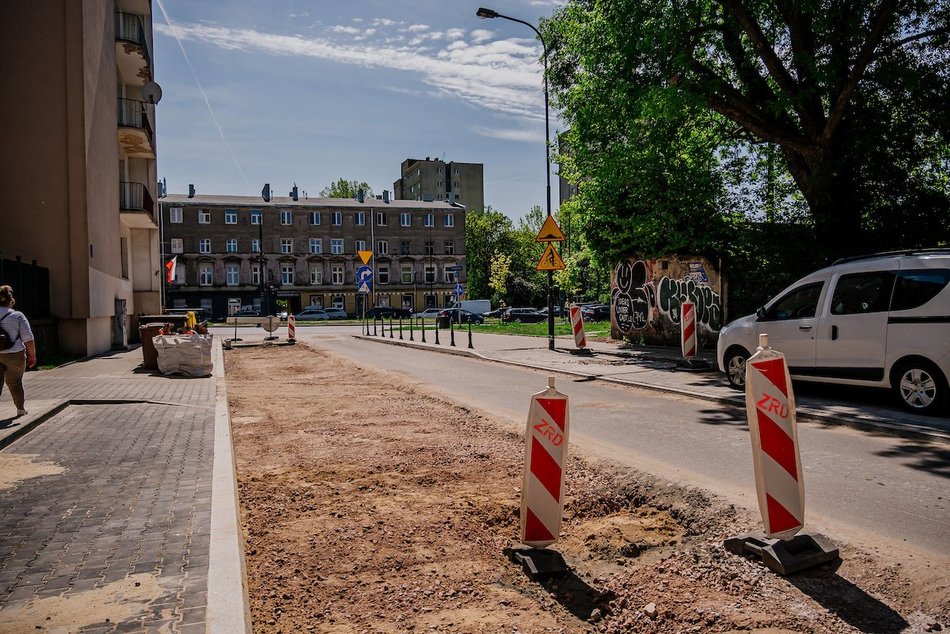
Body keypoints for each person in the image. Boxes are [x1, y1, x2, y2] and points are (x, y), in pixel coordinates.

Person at [0, 285, 36, 417]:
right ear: (10, 300)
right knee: (14, 381)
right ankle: (20, 409)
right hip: (15, 354)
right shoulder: (17, 315)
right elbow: (28, 337)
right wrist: (32, 355)